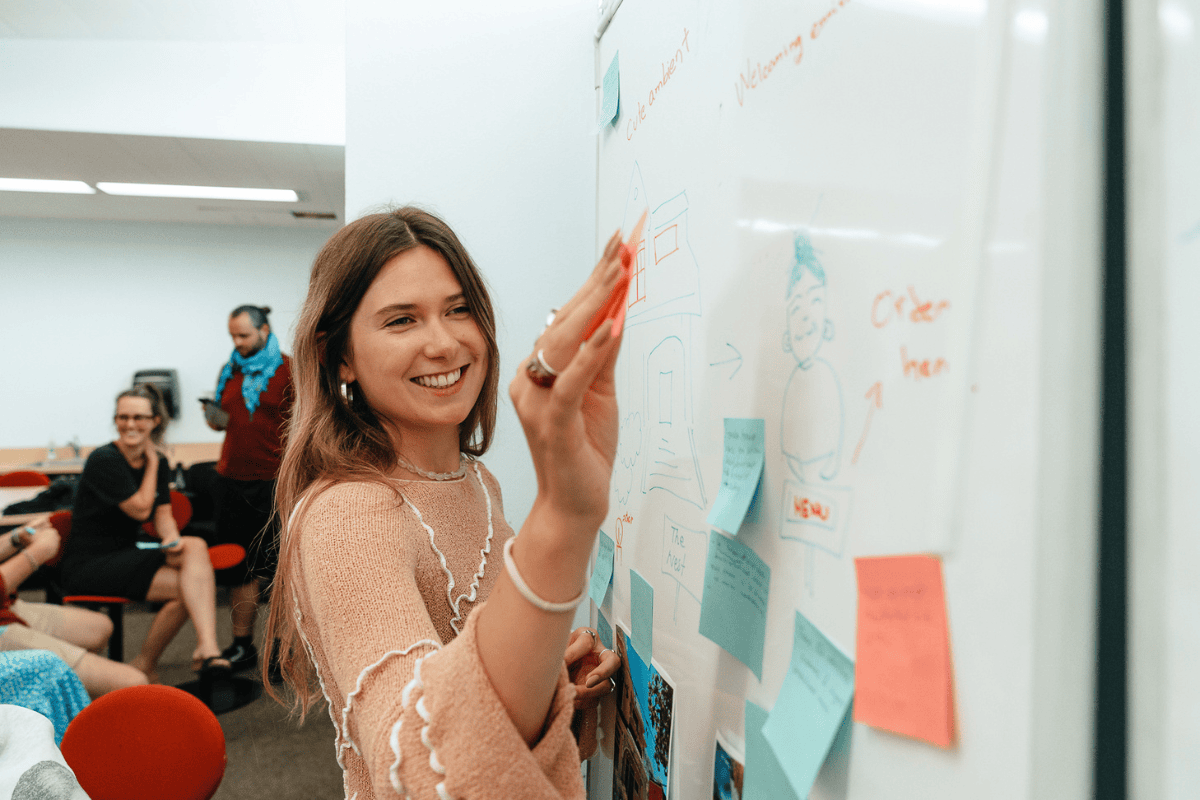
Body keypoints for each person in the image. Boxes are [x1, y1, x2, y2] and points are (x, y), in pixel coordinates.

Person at [264, 207, 625, 798]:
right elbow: (417, 767)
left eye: (458, 310)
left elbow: (497, 743)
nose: (443, 342)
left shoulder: (478, 482)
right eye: (402, 320)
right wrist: (564, 515)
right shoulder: (350, 513)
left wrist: (554, 681)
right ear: (340, 357)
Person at [60, 384, 230, 683]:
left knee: (192, 561)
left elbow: (162, 514)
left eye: (138, 417)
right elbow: (140, 510)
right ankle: (163, 658)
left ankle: (200, 648)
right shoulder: (105, 459)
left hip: (125, 553)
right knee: (192, 586)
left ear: (155, 421)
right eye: (123, 417)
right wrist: (152, 463)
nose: (130, 424)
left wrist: (170, 538)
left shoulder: (158, 461)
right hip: (89, 563)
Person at [204, 304, 293, 672]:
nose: (238, 343)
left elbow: (305, 422)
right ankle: (243, 646)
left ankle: (280, 651)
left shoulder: (289, 370)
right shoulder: (230, 369)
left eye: (243, 335)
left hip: (275, 481)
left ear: (263, 329)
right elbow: (226, 423)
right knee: (239, 569)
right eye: (233, 336)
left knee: (277, 571)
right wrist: (213, 417)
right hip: (232, 480)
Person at [0, 516, 146, 697]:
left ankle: (66, 696)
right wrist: (36, 553)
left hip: (5, 606)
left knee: (100, 627)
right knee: (136, 683)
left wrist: (14, 538)